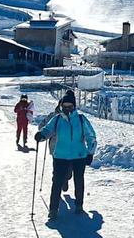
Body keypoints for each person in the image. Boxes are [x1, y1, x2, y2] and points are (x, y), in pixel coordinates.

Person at [35, 93, 97, 221]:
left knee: (78, 181)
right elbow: (47, 130)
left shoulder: (81, 119)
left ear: (74, 106)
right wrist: (41, 135)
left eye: (70, 106)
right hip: (60, 155)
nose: (67, 108)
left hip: (79, 155)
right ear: (62, 105)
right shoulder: (57, 119)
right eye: (65, 105)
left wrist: (90, 152)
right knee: (57, 182)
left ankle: (79, 205)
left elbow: (91, 136)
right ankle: (53, 209)